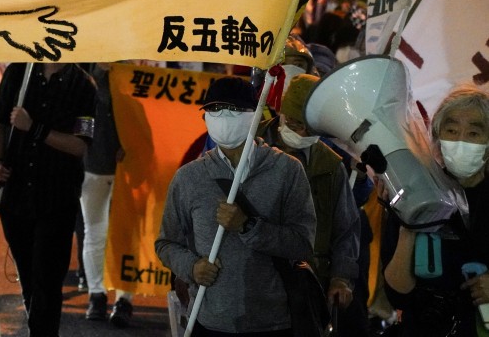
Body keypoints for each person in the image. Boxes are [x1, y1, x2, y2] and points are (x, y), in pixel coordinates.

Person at [155, 76, 316, 336]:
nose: (224, 116)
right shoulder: (189, 177)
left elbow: (302, 244)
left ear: (254, 117)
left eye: (235, 109)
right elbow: (165, 243)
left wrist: (248, 227)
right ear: (204, 118)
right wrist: (192, 267)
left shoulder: (286, 170)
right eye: (215, 109)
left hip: (272, 322)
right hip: (208, 320)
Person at [0, 62, 96, 337]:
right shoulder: (17, 73)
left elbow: (80, 145)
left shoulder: (84, 85)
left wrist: (34, 128)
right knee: (28, 277)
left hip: (57, 198)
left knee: (47, 282)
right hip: (16, 197)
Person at [259, 74, 365, 335]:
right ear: (281, 112)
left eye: (308, 128)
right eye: (293, 124)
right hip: (255, 274)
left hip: (309, 280)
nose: (300, 134)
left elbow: (347, 228)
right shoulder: (250, 145)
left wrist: (341, 278)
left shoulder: (329, 165)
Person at [383, 83, 489, 337]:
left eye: (474, 133)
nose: (461, 140)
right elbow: (397, 294)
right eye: (451, 130)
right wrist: (409, 227)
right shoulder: (417, 191)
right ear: (438, 137)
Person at [81, 63, 133, 326]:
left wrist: (130, 144)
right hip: (95, 166)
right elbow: (80, 120)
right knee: (96, 232)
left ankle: (124, 300)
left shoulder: (134, 75)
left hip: (130, 168)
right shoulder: (84, 76)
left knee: (126, 234)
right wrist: (86, 147)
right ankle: (97, 295)